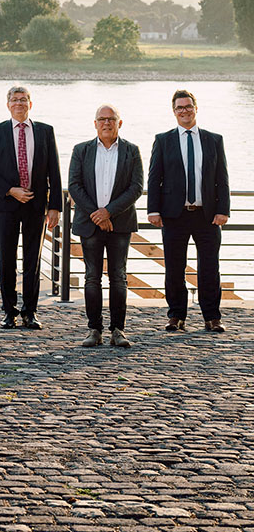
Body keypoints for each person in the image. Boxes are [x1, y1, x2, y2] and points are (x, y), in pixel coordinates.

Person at [147, 89, 230, 333]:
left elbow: (222, 179)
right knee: (174, 267)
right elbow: (154, 178)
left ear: (196, 108)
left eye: (188, 106)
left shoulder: (214, 139)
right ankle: (176, 316)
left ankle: (212, 317)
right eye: (179, 108)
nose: (184, 111)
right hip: (174, 214)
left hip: (207, 215)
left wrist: (223, 210)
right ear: (174, 112)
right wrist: (153, 209)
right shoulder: (163, 140)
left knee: (209, 268)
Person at [0, 86, 61, 329]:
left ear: (30, 104)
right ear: (8, 105)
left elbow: (54, 172)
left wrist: (54, 206)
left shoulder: (45, 132)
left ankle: (30, 311)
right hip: (6, 205)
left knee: (32, 261)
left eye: (23, 100)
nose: (19, 103)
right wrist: (10, 190)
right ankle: (9, 311)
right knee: (7, 259)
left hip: (36, 205)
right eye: (15, 100)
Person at [68, 104, 143, 348]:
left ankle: (118, 330)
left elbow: (136, 187)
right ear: (95, 123)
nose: (107, 123)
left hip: (119, 224)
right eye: (102, 119)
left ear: (120, 123)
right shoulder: (81, 150)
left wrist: (108, 212)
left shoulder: (132, 151)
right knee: (92, 277)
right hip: (90, 224)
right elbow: (75, 185)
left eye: (111, 119)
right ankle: (94, 330)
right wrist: (97, 214)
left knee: (118, 277)